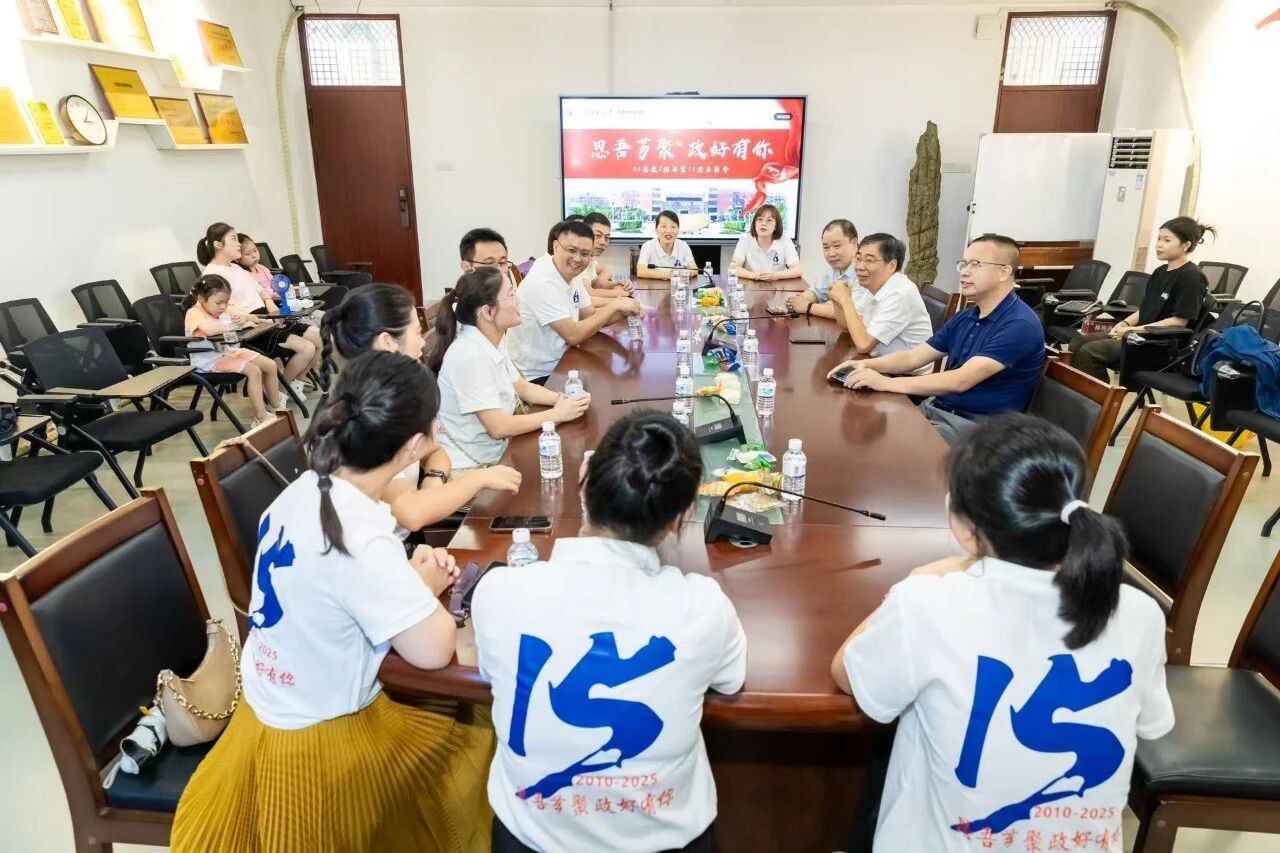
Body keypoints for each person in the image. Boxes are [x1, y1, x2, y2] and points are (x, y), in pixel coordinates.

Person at [172, 351, 494, 852]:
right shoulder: (360, 536)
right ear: (414, 447)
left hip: (260, 718)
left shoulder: (300, 492)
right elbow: (433, 651)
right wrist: (423, 586)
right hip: (320, 751)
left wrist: (408, 581)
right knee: (478, 730)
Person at [831, 414, 1173, 852]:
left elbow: (848, 674)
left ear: (964, 528)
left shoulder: (928, 603)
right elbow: (1151, 724)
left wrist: (918, 578)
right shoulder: (1139, 611)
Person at [472, 410, 747, 853]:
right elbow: (730, 681)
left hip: (528, 841)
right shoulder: (703, 607)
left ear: (583, 484)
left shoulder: (499, 593)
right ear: (680, 517)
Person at [321, 283, 522, 530]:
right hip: (389, 544)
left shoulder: (398, 389)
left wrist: (432, 482)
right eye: (417, 333)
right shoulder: (370, 411)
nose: (423, 344)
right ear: (387, 342)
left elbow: (434, 450)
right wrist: (477, 479)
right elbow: (411, 514)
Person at [828, 234, 1045, 444]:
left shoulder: (1019, 324)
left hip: (976, 429)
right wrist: (865, 365)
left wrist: (885, 382)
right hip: (938, 409)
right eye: (964, 264)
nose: (964, 272)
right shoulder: (967, 316)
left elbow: (961, 380)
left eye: (975, 264)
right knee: (860, 427)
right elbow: (914, 357)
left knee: (882, 443)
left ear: (1004, 272)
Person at [427, 267, 591, 467]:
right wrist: (556, 415)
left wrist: (562, 399)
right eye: (511, 295)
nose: (518, 301)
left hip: (499, 451)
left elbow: (522, 387)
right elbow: (497, 427)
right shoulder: (470, 356)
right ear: (488, 312)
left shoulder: (490, 337)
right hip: (474, 466)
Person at [1068, 217, 1214, 382]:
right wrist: (1125, 324)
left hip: (1159, 345)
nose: (1159, 245)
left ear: (1186, 245)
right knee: (1078, 342)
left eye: (1167, 240)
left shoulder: (1192, 277)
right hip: (1138, 335)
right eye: (1159, 239)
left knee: (1090, 351)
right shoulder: (1160, 272)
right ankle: (1078, 393)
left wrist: (1133, 330)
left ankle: (1101, 398)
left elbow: (1179, 322)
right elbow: (1145, 309)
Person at [504, 219, 642, 382]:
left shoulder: (571, 273)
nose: (577, 259)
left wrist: (624, 312)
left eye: (585, 254)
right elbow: (573, 335)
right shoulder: (542, 281)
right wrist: (615, 305)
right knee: (608, 385)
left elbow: (589, 315)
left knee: (611, 380)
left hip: (564, 359)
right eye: (571, 250)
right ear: (556, 247)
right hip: (539, 375)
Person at [197, 222, 322, 399]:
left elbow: (260, 289)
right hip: (252, 328)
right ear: (218, 244)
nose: (239, 244)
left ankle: (296, 383)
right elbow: (225, 309)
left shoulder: (236, 267)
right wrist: (258, 319)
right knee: (307, 348)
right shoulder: (212, 274)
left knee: (319, 338)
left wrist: (270, 304)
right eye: (234, 239)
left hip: (267, 317)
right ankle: (280, 392)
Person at [183, 274, 284, 428]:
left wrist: (249, 320)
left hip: (228, 352)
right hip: (209, 361)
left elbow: (244, 318)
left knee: (270, 365)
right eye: (219, 303)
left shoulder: (221, 310)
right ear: (201, 299)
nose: (223, 307)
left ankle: (277, 408)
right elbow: (209, 330)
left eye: (226, 302)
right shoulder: (194, 313)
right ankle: (261, 416)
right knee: (254, 370)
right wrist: (234, 325)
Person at [828, 233, 933, 364]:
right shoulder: (874, 285)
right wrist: (836, 300)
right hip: (877, 362)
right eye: (858, 259)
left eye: (869, 260)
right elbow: (846, 327)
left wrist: (846, 300)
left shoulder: (900, 293)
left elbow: (863, 345)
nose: (859, 267)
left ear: (891, 265)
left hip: (906, 373)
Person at [784, 219, 858, 316]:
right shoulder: (833, 269)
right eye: (826, 247)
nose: (831, 253)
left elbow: (852, 313)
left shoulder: (863, 272)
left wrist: (808, 306)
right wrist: (797, 300)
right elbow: (816, 292)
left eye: (837, 246)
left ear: (854, 243)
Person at [730, 204, 802, 282]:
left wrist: (776, 275)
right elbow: (733, 268)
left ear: (776, 226)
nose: (763, 223)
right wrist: (754, 275)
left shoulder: (785, 241)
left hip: (778, 285)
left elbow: (798, 270)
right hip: (752, 284)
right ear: (754, 223)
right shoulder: (745, 240)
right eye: (760, 219)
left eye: (769, 220)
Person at [580, 211, 632, 295]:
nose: (603, 242)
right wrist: (621, 294)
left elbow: (595, 284)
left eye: (607, 237)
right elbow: (588, 294)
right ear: (584, 234)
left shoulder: (591, 259)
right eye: (598, 235)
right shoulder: (578, 259)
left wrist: (620, 285)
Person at [636, 210, 697, 279]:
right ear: (656, 230)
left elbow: (694, 269)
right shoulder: (648, 246)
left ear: (678, 230)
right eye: (664, 226)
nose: (668, 231)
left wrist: (688, 273)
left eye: (673, 227)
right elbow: (641, 271)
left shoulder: (683, 245)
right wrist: (670, 275)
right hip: (653, 285)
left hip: (678, 285)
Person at [235, 234, 279, 306]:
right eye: (248, 254)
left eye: (255, 250)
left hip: (278, 299)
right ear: (237, 258)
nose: (254, 255)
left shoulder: (262, 268)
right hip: (266, 305)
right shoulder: (243, 275)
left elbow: (275, 283)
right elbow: (258, 294)